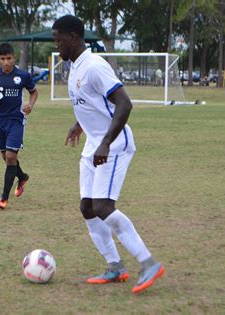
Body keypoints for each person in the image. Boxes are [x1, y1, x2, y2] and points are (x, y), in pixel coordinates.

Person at [52, 15, 164, 294]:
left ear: (74, 38)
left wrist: (105, 142)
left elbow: (124, 104)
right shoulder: (74, 68)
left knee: (102, 206)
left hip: (113, 145)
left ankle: (148, 262)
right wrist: (80, 125)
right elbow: (92, 103)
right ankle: (115, 266)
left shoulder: (94, 66)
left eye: (59, 40)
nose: (56, 46)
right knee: (87, 208)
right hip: (94, 143)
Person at [0, 43, 38, 209]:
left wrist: (30, 105)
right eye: (2, 59)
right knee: (7, 158)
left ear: (14, 58)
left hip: (16, 120)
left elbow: (34, 92)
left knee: (11, 157)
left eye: (9, 58)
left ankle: (4, 198)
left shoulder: (23, 76)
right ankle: (22, 177)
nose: (6, 62)